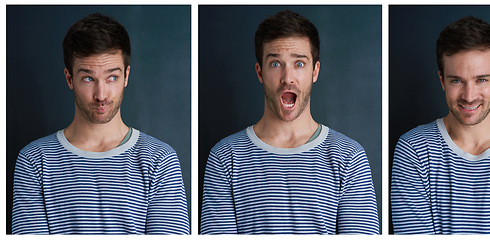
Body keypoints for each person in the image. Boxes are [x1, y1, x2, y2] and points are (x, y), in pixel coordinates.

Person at [200, 10, 379, 234]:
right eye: (276, 64)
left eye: (299, 64)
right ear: (259, 73)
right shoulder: (225, 157)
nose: (287, 78)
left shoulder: (349, 157)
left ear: (315, 71)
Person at [11, 13, 190, 234]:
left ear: (126, 76)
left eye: (111, 77)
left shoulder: (160, 160)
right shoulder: (34, 161)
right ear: (69, 79)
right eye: (88, 78)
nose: (101, 94)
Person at [391, 16, 490, 234]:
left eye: (481, 80)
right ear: (442, 80)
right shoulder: (413, 149)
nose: (469, 96)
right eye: (456, 80)